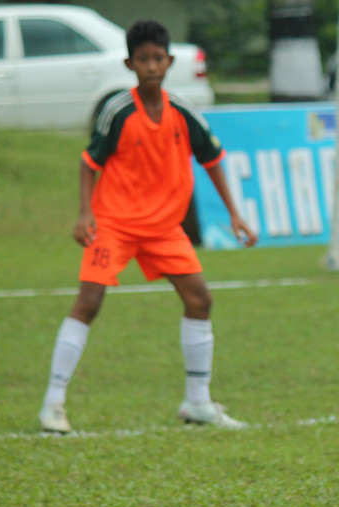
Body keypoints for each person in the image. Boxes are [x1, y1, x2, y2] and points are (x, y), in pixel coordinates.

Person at [38, 20, 258, 433]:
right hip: (115, 225)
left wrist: (235, 213)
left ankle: (198, 403)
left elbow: (212, 161)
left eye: (158, 58)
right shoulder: (118, 110)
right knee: (88, 303)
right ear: (129, 63)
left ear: (170, 61)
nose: (152, 66)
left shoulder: (183, 113)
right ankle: (53, 404)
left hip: (163, 229)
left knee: (200, 300)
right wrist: (85, 214)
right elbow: (89, 164)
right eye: (143, 59)